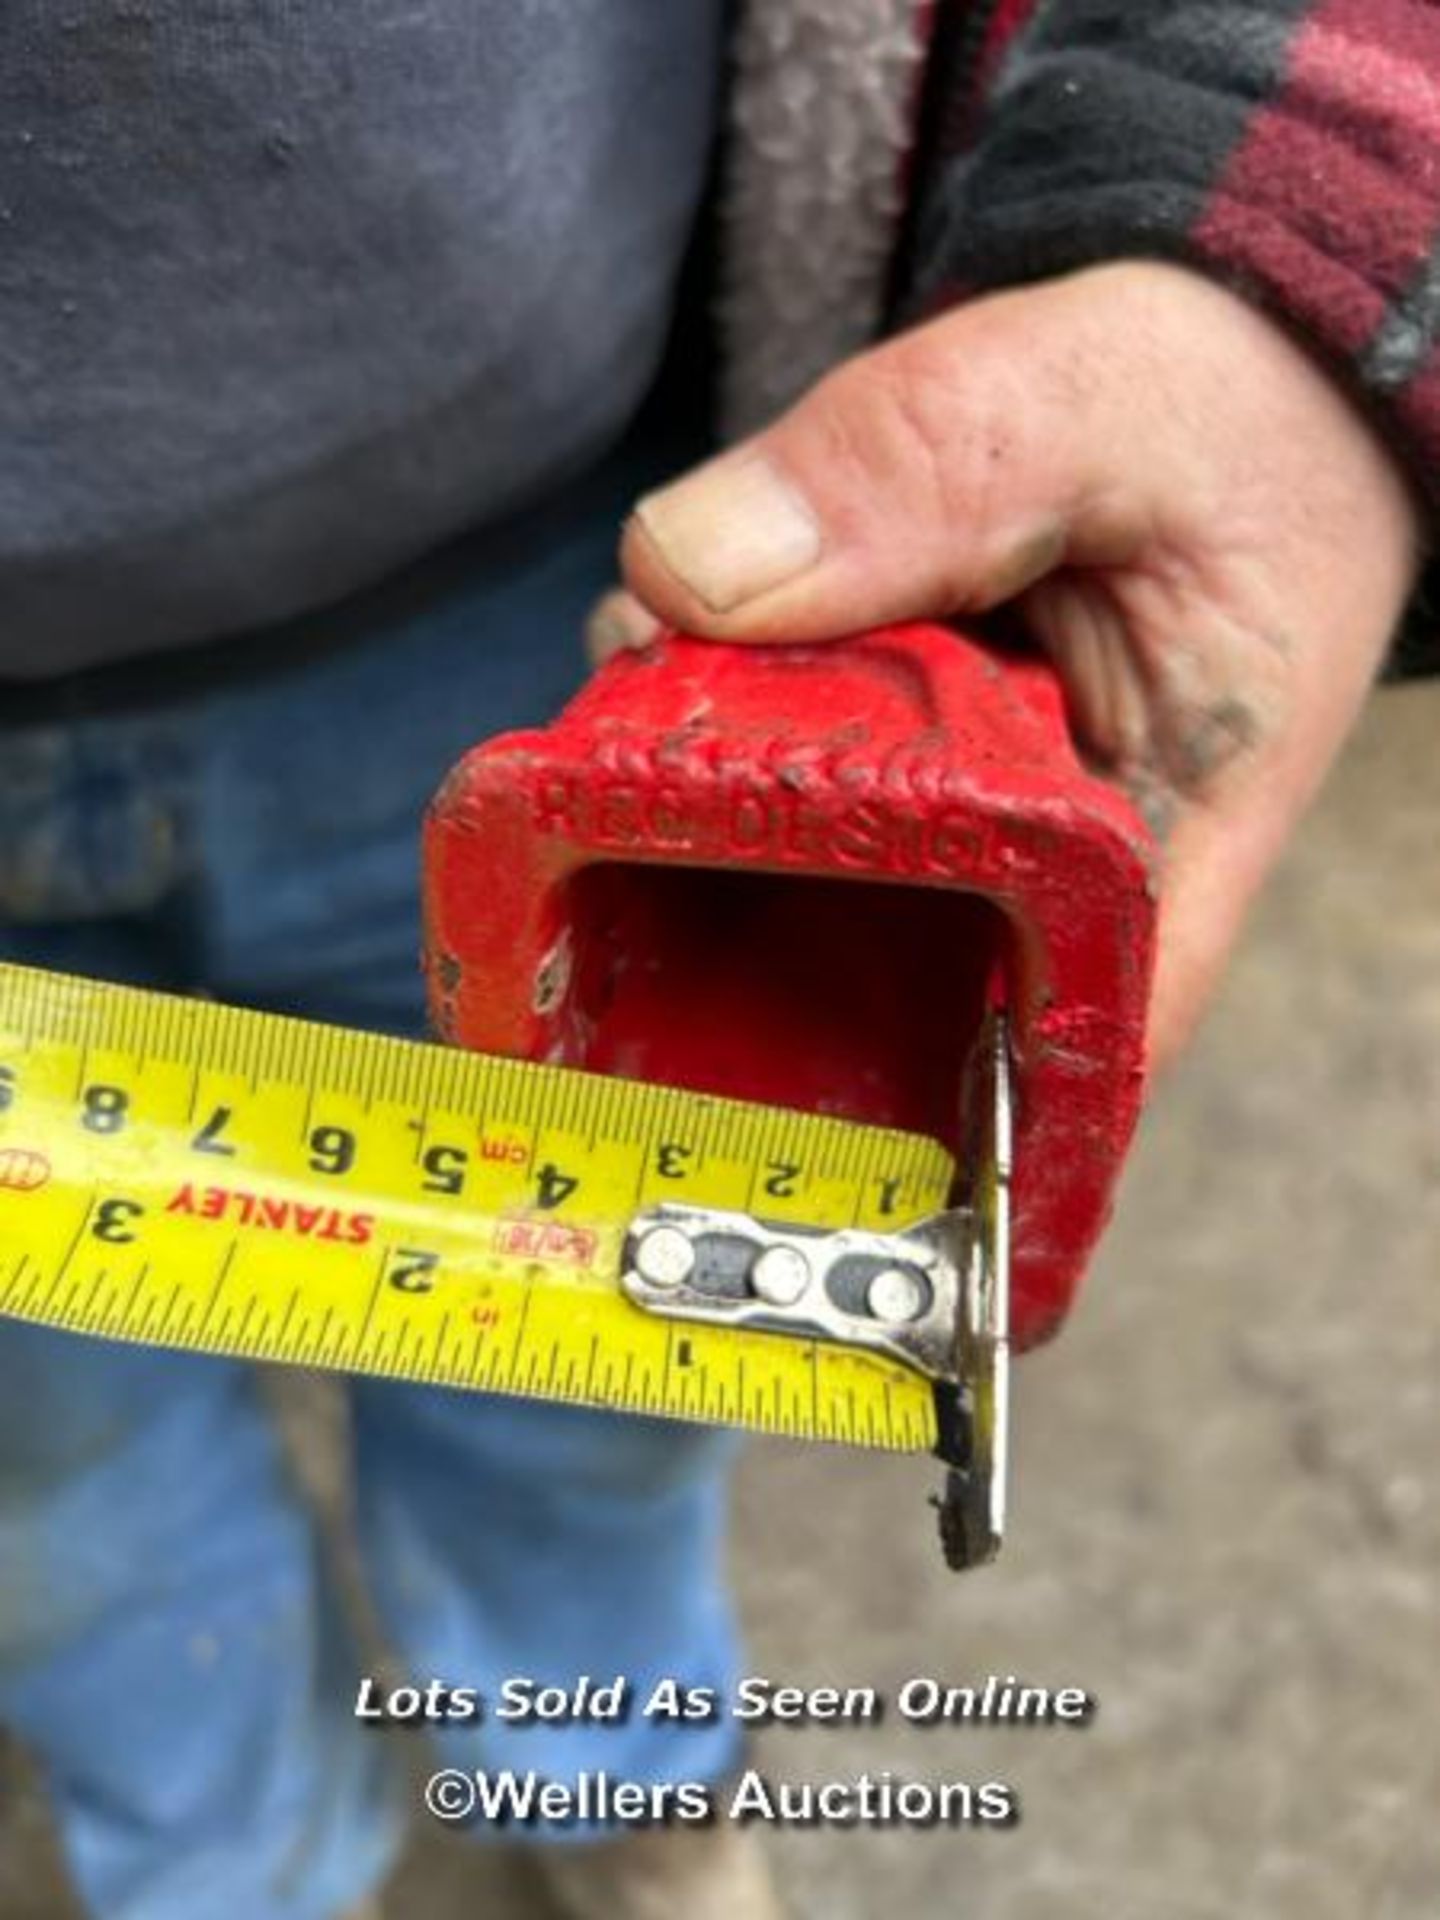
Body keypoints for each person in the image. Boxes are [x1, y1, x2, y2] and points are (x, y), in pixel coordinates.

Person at [0, 5, 1435, 1918]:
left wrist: (1287, 254)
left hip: (551, 591)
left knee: (594, 1363)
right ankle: (220, 1853)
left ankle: (604, 1767)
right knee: (40, 1465)